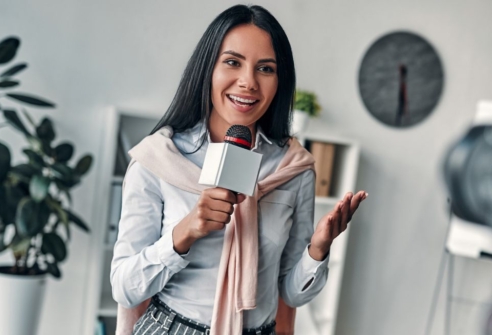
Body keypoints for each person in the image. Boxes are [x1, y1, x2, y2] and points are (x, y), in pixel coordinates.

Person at [110, 4, 367, 335]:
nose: (248, 82)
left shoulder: (294, 168)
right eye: (232, 62)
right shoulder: (159, 159)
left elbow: (291, 292)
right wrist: (184, 233)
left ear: (280, 81)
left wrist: (318, 249)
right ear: (208, 69)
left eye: (265, 68)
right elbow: (124, 288)